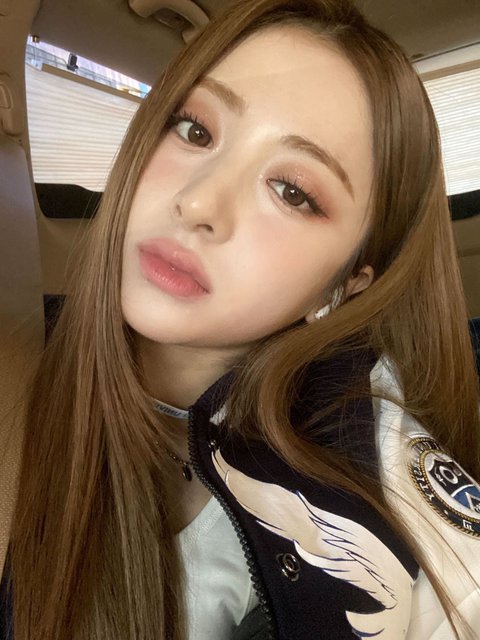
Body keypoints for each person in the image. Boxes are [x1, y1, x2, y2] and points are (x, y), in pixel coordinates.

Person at [1, 0, 479, 638]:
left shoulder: (371, 472)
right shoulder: (22, 362)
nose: (198, 202)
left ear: (345, 284)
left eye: (292, 192)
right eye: (195, 130)